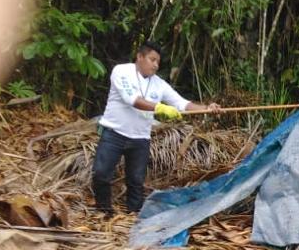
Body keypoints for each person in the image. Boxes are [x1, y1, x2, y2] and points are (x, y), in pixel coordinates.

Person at [91, 41, 218, 215]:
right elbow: (132, 99)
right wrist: (160, 108)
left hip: (140, 138)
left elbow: (181, 103)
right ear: (140, 57)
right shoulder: (122, 71)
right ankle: (103, 211)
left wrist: (206, 109)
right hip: (114, 133)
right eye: (152, 59)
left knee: (136, 180)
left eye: (158, 62)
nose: (156, 65)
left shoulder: (159, 84)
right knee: (101, 173)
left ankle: (134, 214)